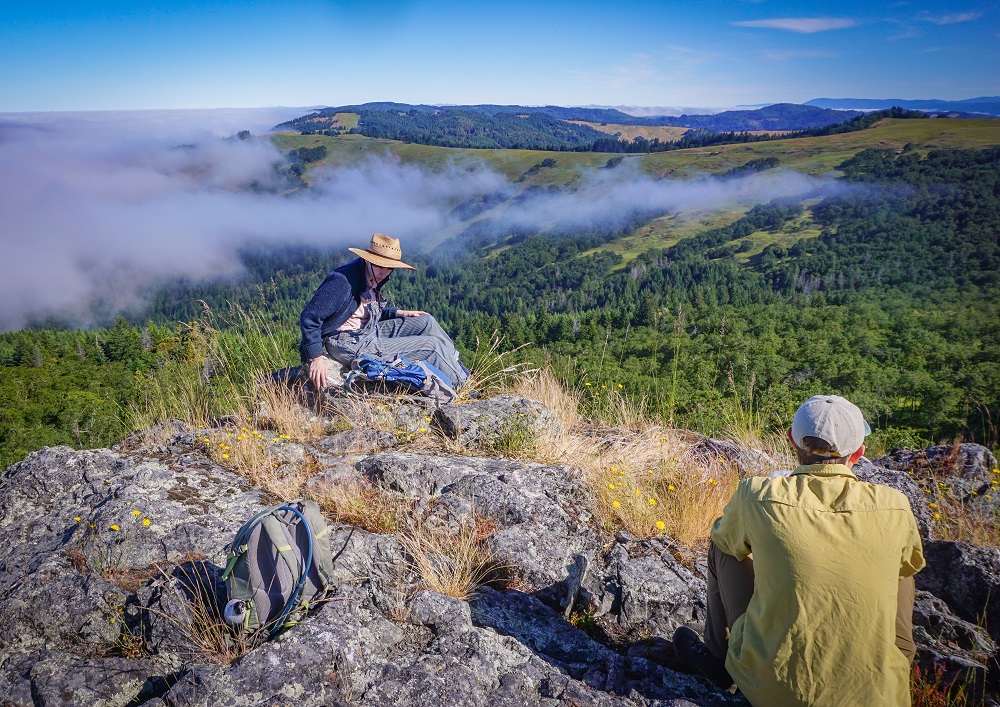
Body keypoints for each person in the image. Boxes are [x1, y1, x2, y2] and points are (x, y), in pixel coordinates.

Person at [673, 394, 925, 706]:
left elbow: (724, 537)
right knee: (903, 569)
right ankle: (892, 666)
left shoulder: (757, 495)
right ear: (858, 453)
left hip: (772, 690)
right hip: (879, 696)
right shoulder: (895, 507)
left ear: (792, 441)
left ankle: (719, 659)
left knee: (724, 545)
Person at [299, 233, 469, 391]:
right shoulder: (343, 280)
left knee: (426, 321)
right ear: (367, 259)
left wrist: (398, 313)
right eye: (379, 266)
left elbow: (360, 311)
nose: (383, 272)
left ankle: (458, 368)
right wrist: (315, 358)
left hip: (367, 331)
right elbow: (309, 316)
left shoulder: (370, 274)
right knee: (432, 346)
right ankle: (463, 387)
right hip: (348, 342)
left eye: (389, 268)